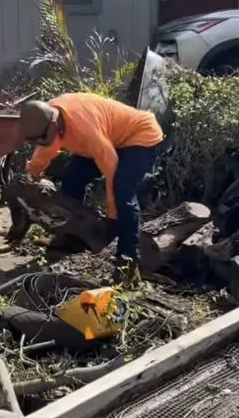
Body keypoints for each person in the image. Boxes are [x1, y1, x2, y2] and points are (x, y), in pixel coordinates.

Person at [19, 93, 163, 283]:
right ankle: (71, 239)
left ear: (55, 125)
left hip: (140, 137)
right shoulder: (47, 117)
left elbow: (110, 169)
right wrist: (32, 176)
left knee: (123, 192)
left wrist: (113, 218)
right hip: (108, 139)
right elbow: (45, 150)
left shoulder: (83, 126)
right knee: (72, 180)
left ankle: (128, 263)